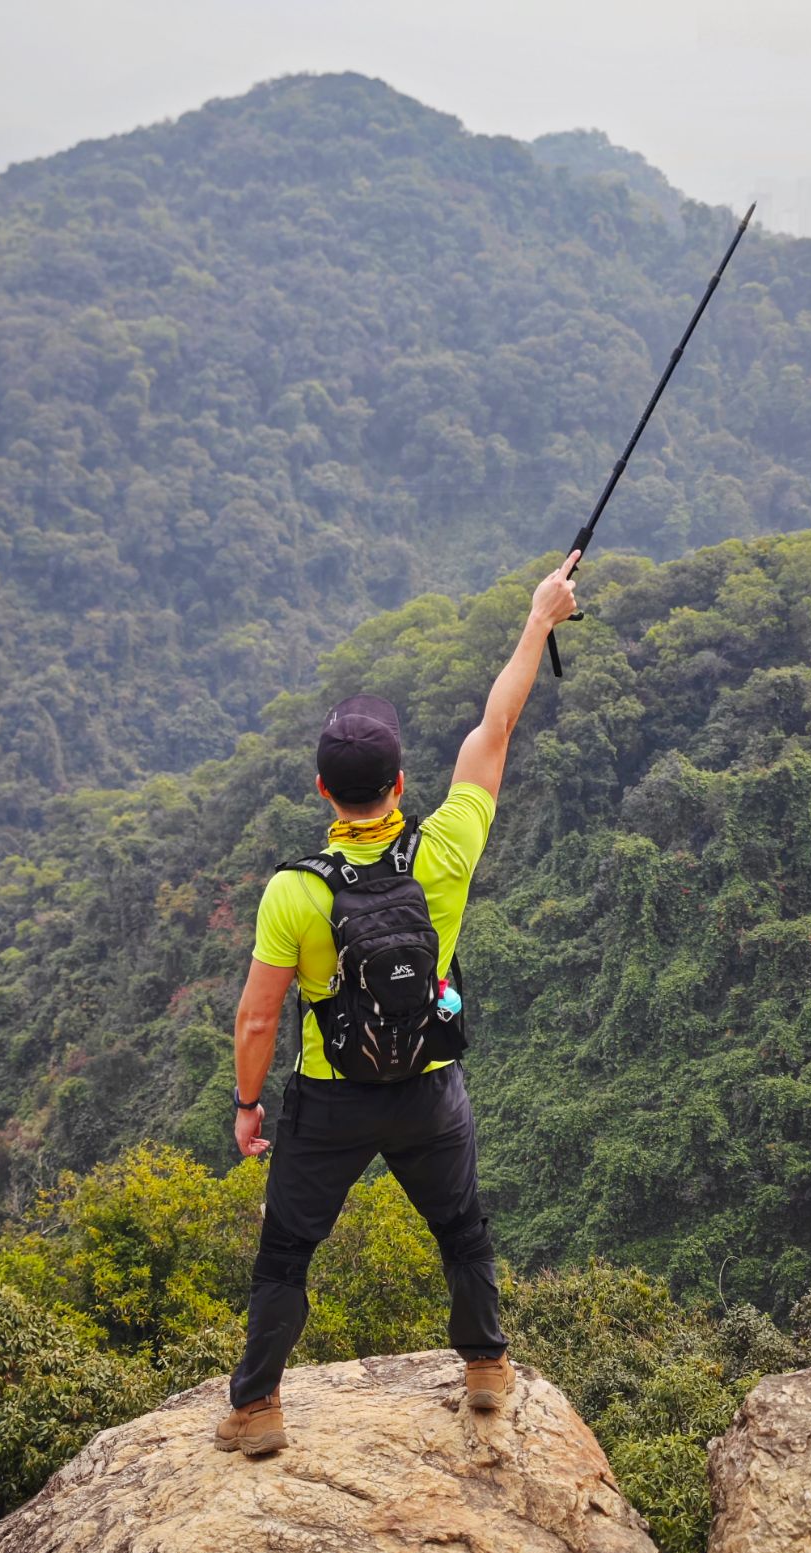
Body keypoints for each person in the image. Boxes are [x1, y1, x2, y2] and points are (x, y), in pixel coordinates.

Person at [215, 553, 580, 1455]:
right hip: (428, 1086)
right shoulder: (445, 851)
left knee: (287, 1254)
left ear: (322, 792)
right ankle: (487, 1368)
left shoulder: (293, 892)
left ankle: (258, 1408)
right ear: (402, 784)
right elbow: (495, 728)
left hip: (330, 1102)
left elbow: (259, 1018)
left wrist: (250, 1104)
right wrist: (538, 619)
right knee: (461, 1227)